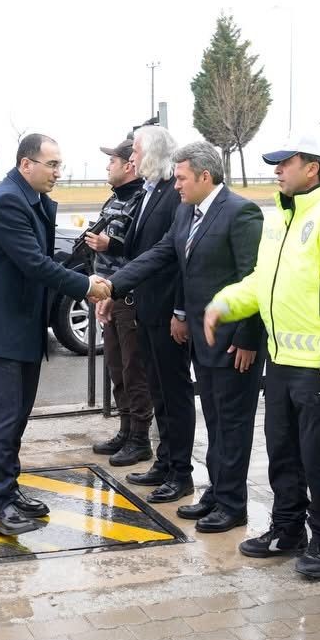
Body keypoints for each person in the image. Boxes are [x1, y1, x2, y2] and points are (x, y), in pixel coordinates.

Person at [202, 124, 320, 579]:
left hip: (318, 369)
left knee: (319, 457)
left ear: (313, 167)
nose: (277, 171)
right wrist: (224, 303)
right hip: (282, 360)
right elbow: (262, 283)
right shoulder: (279, 218)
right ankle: (286, 528)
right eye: (275, 164)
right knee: (282, 452)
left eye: (285, 163)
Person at [106, 141, 265, 534]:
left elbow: (255, 279)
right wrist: (110, 285)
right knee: (213, 420)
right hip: (201, 339)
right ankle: (216, 492)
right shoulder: (185, 212)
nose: (175, 185)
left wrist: (248, 338)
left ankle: (233, 505)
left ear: (205, 177)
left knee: (232, 424)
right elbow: (163, 255)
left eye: (181, 178)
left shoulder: (241, 212)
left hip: (232, 343)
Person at [0, 133, 104, 536]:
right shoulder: (7, 201)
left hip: (21, 327)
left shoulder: (30, 200)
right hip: (0, 331)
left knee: (18, 416)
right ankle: (1, 504)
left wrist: (81, 266)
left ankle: (11, 488)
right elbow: (33, 264)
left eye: (59, 164)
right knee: (4, 420)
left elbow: (44, 260)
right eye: (52, 164)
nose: (59, 172)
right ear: (26, 164)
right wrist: (86, 286)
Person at [117, 126, 194, 504]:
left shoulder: (174, 197)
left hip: (167, 313)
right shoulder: (151, 192)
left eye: (135, 149)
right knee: (159, 393)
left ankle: (181, 472)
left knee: (174, 393)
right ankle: (165, 462)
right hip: (146, 309)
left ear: (153, 152)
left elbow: (178, 259)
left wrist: (179, 310)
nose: (131, 156)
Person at [87, 137, 154, 467]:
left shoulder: (142, 199)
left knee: (133, 368)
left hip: (128, 295)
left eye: (112, 160)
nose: (107, 166)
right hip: (109, 295)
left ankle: (140, 438)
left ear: (130, 165)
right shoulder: (114, 199)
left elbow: (141, 250)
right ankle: (126, 430)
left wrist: (109, 245)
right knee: (116, 365)